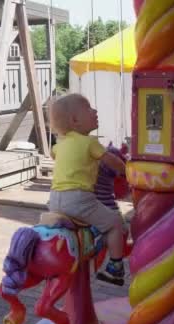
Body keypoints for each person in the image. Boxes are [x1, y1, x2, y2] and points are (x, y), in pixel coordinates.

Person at [48, 93, 127, 285]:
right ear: (75, 120)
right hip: (78, 198)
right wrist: (127, 171)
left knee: (94, 219)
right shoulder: (89, 142)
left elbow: (56, 156)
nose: (95, 111)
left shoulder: (60, 144)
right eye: (89, 108)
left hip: (54, 200)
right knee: (116, 223)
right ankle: (115, 268)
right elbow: (111, 161)